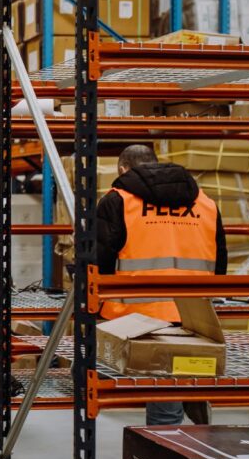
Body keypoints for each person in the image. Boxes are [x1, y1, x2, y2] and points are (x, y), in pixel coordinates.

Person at [96, 144, 226, 427]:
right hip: (194, 317)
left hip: (133, 318)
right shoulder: (205, 203)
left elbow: (99, 263)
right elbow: (221, 263)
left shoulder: (118, 200)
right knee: (169, 391)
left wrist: (95, 305)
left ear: (123, 170)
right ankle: (190, 401)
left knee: (93, 377)